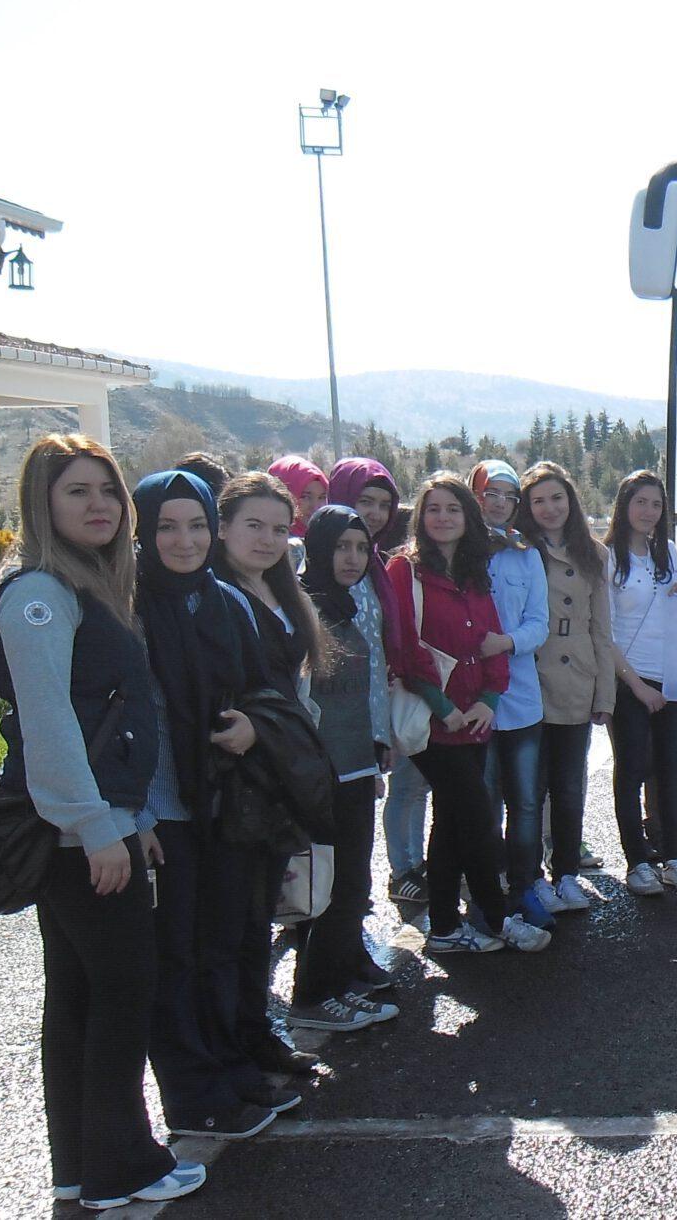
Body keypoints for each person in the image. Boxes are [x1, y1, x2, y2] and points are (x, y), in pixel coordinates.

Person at [0, 436, 208, 1208]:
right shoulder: (38, 593)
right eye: (77, 492)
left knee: (78, 997)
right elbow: (47, 726)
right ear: (41, 503)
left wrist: (123, 817)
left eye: (107, 491)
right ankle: (122, 1166)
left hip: (96, 825)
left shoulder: (84, 585)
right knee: (121, 993)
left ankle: (81, 1167)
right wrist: (95, 827)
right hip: (76, 837)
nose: (99, 505)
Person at [131, 470, 283, 1143]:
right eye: (165, 526)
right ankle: (193, 1096)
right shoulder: (124, 604)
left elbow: (262, 696)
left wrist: (253, 727)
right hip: (160, 810)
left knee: (221, 943)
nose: (183, 540)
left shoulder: (227, 604)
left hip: (223, 803)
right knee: (177, 957)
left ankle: (228, 1065)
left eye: (194, 524)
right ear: (141, 530)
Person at [387, 474, 549, 954]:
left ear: (467, 517)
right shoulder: (405, 571)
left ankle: (443, 928)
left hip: (475, 721)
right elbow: (404, 649)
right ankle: (498, 920)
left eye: (452, 509)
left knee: (452, 823)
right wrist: (445, 707)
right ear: (421, 516)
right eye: (433, 508)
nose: (442, 517)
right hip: (432, 722)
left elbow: (492, 643)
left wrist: (488, 701)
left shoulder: (476, 572)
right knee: (478, 818)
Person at [212, 473, 334, 1077]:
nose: (266, 540)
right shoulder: (214, 594)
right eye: (252, 525)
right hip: (238, 779)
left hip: (277, 771)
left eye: (279, 529)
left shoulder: (282, 592)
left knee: (258, 918)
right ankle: (235, 1048)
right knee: (230, 925)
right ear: (223, 527)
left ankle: (256, 1035)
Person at [288, 506, 402, 1033]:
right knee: (326, 888)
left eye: (361, 547)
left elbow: (368, 683)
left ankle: (337, 983)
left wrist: (378, 742)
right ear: (318, 548)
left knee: (353, 884)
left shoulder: (349, 606)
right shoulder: (299, 609)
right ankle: (313, 996)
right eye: (341, 547)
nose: (353, 558)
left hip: (356, 766)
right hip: (319, 774)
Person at [331, 456, 431, 903]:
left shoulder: (374, 564)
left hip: (380, 698)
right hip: (333, 718)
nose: (374, 513)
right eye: (363, 501)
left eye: (383, 503)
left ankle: (402, 869)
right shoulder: (320, 567)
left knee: (408, 788)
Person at [515, 461, 614, 910]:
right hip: (530, 677)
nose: (549, 508)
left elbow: (602, 628)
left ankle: (567, 873)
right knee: (529, 791)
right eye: (538, 500)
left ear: (571, 501)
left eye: (557, 498)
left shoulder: (593, 552)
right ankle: (530, 876)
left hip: (578, 676)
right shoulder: (516, 549)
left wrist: (605, 694)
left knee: (570, 788)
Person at [470, 459, 557, 925]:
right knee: (481, 802)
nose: (500, 503)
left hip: (520, 697)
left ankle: (524, 886)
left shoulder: (527, 553)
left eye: (508, 496)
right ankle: (483, 893)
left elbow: (539, 622)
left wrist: (508, 642)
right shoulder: (460, 550)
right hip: (473, 699)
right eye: (491, 493)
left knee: (525, 801)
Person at [605, 470, 677, 897]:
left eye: (656, 504)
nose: (648, 511)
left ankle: (673, 856)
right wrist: (637, 687)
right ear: (625, 505)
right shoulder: (607, 557)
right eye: (640, 502)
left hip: (672, 678)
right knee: (631, 770)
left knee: (669, 769)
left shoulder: (669, 552)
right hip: (629, 680)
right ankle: (637, 862)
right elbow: (602, 631)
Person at [266, 453, 330, 549]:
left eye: (321, 497)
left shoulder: (331, 541)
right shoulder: (266, 546)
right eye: (305, 497)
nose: (315, 507)